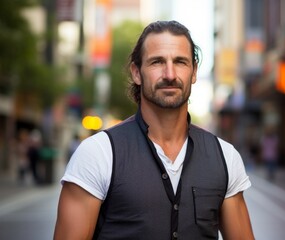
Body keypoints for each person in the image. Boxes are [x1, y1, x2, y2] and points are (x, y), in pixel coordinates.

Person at [54, 20, 254, 240]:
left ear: (194, 72)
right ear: (137, 73)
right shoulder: (97, 154)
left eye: (180, 62)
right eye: (157, 62)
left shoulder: (225, 157)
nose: (169, 74)